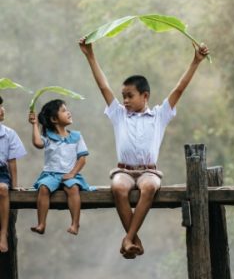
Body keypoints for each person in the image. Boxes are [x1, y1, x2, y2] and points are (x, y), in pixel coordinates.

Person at [79, 37, 209, 259]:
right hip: (124, 170)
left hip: (149, 170)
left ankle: (129, 239)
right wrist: (90, 54)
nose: (126, 101)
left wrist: (195, 61)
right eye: (123, 97)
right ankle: (133, 238)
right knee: (118, 188)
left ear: (145, 96)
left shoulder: (159, 115)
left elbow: (179, 89)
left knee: (149, 187)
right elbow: (103, 86)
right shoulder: (119, 114)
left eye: (130, 96)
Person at [28, 99, 91, 236]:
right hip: (51, 174)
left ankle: (75, 223)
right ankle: (41, 223)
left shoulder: (76, 136)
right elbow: (37, 143)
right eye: (63, 110)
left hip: (70, 174)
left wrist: (72, 173)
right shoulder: (48, 137)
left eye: (67, 109)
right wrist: (34, 125)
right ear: (54, 119)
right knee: (43, 188)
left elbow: (82, 159)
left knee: (73, 188)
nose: (68, 112)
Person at [0, 95, 27, 252]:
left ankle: (3, 233)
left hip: (1, 172)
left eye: (2, 106)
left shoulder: (9, 134)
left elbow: (12, 162)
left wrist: (14, 186)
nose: (2, 110)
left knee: (3, 189)